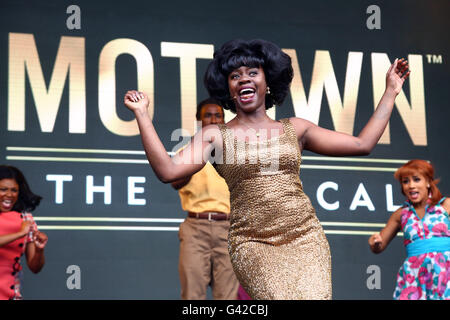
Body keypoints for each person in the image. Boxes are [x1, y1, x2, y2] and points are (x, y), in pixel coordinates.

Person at [124, 39, 410, 299]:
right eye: (235, 76)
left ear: (268, 80)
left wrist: (390, 92)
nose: (243, 79)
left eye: (252, 72)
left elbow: (362, 144)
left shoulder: (296, 128)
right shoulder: (215, 135)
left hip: (305, 238)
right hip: (253, 243)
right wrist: (142, 115)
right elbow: (168, 171)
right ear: (228, 89)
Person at [171, 98, 239, 300]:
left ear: (223, 120)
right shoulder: (188, 152)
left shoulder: (236, 153)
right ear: (199, 121)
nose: (213, 119)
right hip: (196, 228)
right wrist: (199, 154)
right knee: (192, 295)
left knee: (227, 298)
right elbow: (174, 181)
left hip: (228, 228)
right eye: (208, 115)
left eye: (218, 115)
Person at [369, 160, 449, 300]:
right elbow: (379, 246)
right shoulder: (401, 214)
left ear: (428, 182)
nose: (411, 185)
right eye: (406, 181)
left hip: (445, 270)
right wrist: (375, 242)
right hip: (414, 274)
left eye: (416, 179)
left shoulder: (445, 205)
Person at [0, 165, 48, 300]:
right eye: (3, 189)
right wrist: (19, 234)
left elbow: (35, 267)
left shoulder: (26, 218)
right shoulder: (23, 228)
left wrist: (39, 249)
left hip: (12, 295)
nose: (9, 195)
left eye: (14, 190)